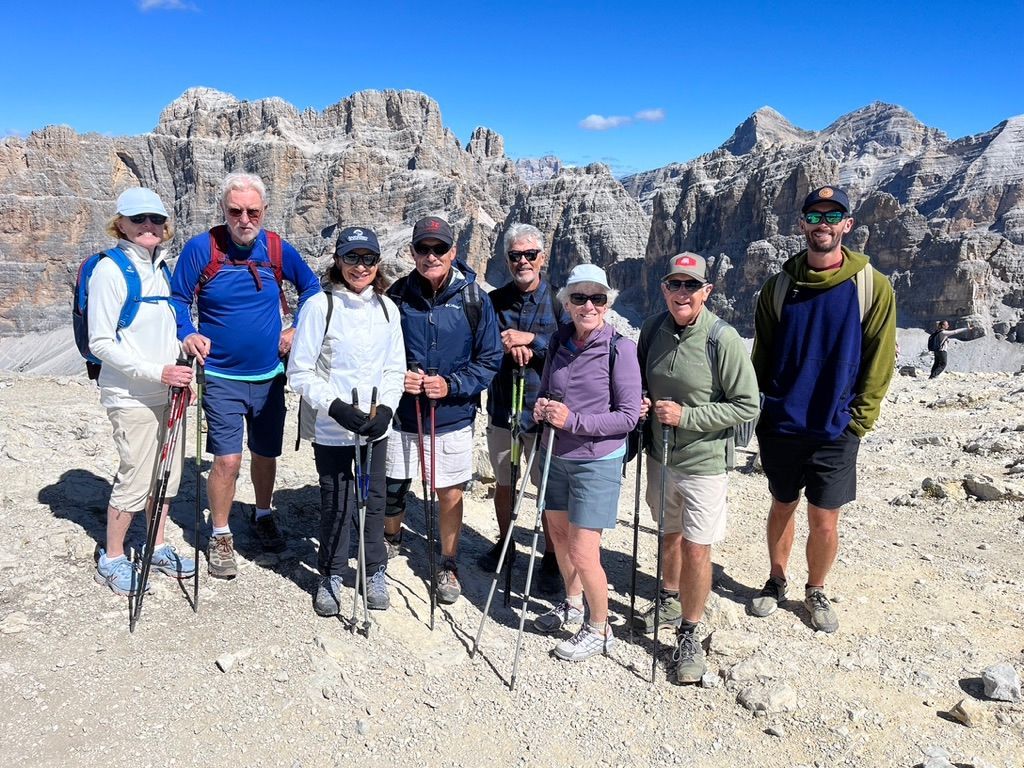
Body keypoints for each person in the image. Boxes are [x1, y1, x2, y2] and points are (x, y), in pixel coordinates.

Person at [749, 185, 896, 633]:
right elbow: (761, 356)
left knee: (824, 517)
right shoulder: (779, 287)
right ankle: (776, 580)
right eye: (814, 217)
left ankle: (815, 589)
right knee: (781, 504)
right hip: (782, 422)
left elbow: (881, 359)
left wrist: (859, 421)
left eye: (833, 218)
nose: (823, 226)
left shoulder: (871, 286)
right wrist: (759, 410)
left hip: (836, 427)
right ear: (802, 225)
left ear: (847, 225)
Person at [170, 172, 320, 578]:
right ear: (224, 210)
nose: (244, 218)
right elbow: (178, 298)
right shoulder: (202, 249)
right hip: (219, 376)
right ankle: (220, 534)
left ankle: (262, 512)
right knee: (227, 459)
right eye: (235, 211)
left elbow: (311, 288)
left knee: (266, 453)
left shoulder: (276, 248)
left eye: (252, 211)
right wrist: (187, 333)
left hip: (270, 376)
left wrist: (296, 329)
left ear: (264, 211)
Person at [635, 252, 760, 683]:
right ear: (664, 288)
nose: (682, 293)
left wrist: (687, 417)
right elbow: (637, 382)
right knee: (668, 531)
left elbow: (747, 405)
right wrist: (641, 405)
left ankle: (689, 629)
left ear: (706, 291)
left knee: (696, 545)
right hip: (660, 455)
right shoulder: (651, 330)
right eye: (675, 284)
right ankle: (669, 597)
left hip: (704, 461)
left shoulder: (721, 339)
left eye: (692, 285)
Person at [383, 215, 502, 605]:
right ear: (412, 252)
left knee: (449, 490)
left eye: (439, 249)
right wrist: (399, 375)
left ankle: (448, 561)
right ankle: (390, 538)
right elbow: (380, 351)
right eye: (423, 248)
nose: (430, 256)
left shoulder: (474, 298)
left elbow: (489, 359)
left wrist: (451, 385)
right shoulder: (397, 296)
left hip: (452, 414)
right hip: (404, 411)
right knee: (394, 482)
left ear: (453, 251)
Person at [287, 227, 405, 615]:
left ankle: (374, 570)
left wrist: (386, 408)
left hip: (375, 427)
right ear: (338, 260)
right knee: (336, 501)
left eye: (368, 259)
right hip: (333, 427)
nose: (360, 266)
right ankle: (332, 573)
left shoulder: (388, 309)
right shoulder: (321, 306)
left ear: (378, 264)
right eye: (352, 258)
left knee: (372, 501)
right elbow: (299, 371)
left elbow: (394, 369)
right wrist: (335, 407)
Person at [531, 264, 641, 662]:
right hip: (555, 453)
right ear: (567, 303)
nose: (588, 305)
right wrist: (542, 408)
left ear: (608, 303)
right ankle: (573, 604)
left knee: (582, 550)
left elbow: (628, 417)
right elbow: (545, 390)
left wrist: (572, 421)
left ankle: (600, 628)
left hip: (597, 461)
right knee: (558, 535)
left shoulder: (621, 349)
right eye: (579, 297)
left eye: (597, 297)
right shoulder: (560, 341)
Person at [90, 188, 195, 595]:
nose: (148, 226)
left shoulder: (163, 268)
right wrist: (158, 371)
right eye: (138, 220)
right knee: (136, 475)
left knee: (167, 477)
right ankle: (113, 558)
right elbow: (101, 342)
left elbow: (166, 326)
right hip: (131, 394)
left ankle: (158, 544)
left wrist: (188, 344)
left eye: (155, 219)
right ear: (121, 224)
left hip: (170, 391)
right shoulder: (110, 271)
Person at [480, 223, 569, 596]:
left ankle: (551, 556)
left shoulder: (563, 302)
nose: (523, 262)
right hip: (503, 407)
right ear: (507, 260)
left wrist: (532, 341)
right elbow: (482, 344)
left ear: (542, 258)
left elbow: (570, 347)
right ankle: (507, 543)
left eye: (530, 255)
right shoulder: (493, 300)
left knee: (547, 488)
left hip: (545, 412)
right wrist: (505, 346)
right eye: (515, 256)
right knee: (505, 481)